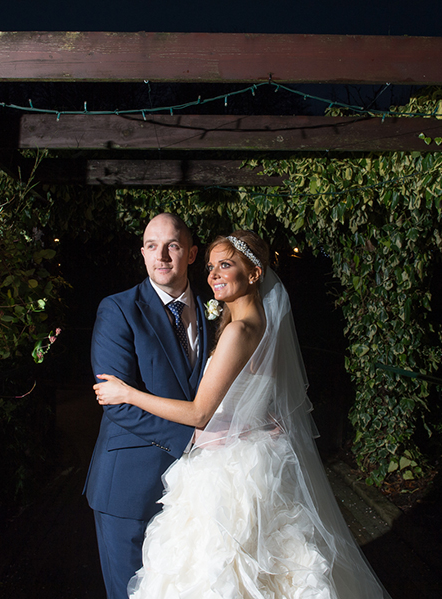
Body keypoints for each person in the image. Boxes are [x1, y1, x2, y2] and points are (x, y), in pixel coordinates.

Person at [95, 231, 391, 598]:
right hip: (252, 455)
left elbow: (200, 413)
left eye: (225, 265)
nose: (214, 275)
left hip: (226, 468)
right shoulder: (260, 323)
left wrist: (128, 393)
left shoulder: (237, 331)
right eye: (211, 267)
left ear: (254, 273)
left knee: (215, 568)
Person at [85, 213, 212, 599]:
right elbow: (117, 404)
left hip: (196, 490)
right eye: (152, 246)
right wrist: (191, 438)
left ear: (191, 254)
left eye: (172, 246)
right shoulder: (118, 309)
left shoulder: (213, 312)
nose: (162, 256)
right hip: (129, 485)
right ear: (142, 253)